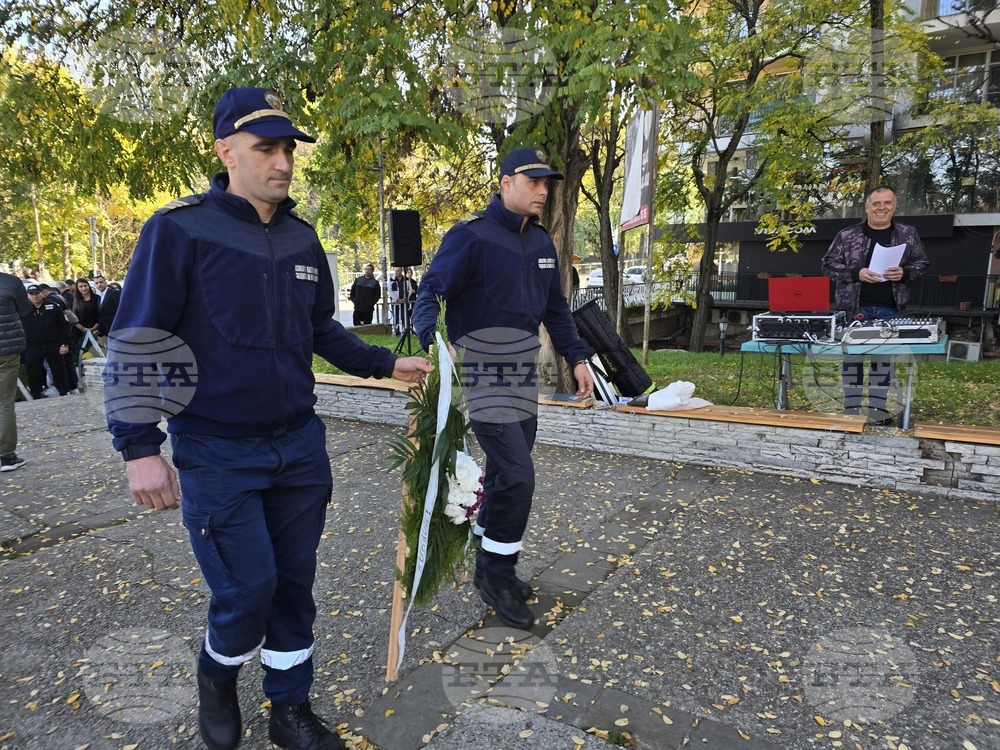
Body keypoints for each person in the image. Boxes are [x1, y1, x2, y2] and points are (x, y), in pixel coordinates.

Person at [105, 87, 432, 750]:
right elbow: (136, 339)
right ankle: (217, 677)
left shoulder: (303, 238)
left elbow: (321, 331)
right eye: (266, 148)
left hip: (299, 451)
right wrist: (139, 447)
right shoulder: (180, 230)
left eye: (288, 148)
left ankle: (290, 709)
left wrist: (382, 365)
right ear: (226, 150)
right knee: (247, 590)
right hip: (217, 450)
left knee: (292, 587)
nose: (283, 162)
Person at [411, 146, 594, 630]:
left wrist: (577, 358)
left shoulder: (540, 245)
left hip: (522, 373)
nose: (541, 191)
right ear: (505, 181)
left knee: (504, 475)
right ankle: (495, 573)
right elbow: (430, 290)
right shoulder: (470, 237)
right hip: (482, 371)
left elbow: (556, 310)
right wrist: (432, 343)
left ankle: (492, 560)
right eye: (532, 181)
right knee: (519, 476)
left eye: (546, 184)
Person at [821, 185, 929, 426]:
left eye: (887, 203)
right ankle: (851, 409)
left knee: (883, 363)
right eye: (877, 204)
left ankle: (878, 410)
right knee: (852, 360)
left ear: (894, 206)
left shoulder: (907, 234)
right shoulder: (847, 235)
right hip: (853, 308)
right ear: (867, 207)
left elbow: (922, 263)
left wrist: (904, 272)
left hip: (891, 309)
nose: (882, 208)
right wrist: (856, 273)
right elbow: (828, 265)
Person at [0, 271, 31, 471]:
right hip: (7, 350)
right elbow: (25, 309)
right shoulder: (11, 282)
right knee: (4, 403)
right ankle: (5, 456)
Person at [22, 284, 70, 400]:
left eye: (37, 293)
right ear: (28, 296)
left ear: (42, 293)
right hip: (32, 346)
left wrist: (64, 344)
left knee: (58, 370)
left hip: (53, 344)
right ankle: (36, 395)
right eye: (32, 294)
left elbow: (64, 326)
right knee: (33, 371)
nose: (35, 296)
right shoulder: (24, 310)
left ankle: (63, 392)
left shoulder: (53, 307)